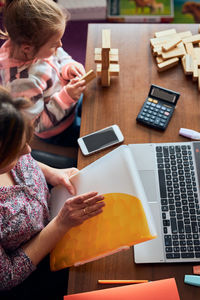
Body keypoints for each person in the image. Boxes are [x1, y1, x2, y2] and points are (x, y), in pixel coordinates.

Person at [0, 86, 105, 299]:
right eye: (17, 151)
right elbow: (7, 276)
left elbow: (29, 158)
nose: (28, 152)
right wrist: (60, 224)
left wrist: (52, 173)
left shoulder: (13, 142)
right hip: (40, 263)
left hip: (53, 204)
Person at [0, 0, 87, 147]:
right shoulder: (22, 83)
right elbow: (37, 125)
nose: (60, 45)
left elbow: (58, 53)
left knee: (99, 101)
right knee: (92, 138)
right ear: (28, 48)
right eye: (54, 44)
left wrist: (67, 65)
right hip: (58, 129)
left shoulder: (34, 45)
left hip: (67, 99)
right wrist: (66, 98)